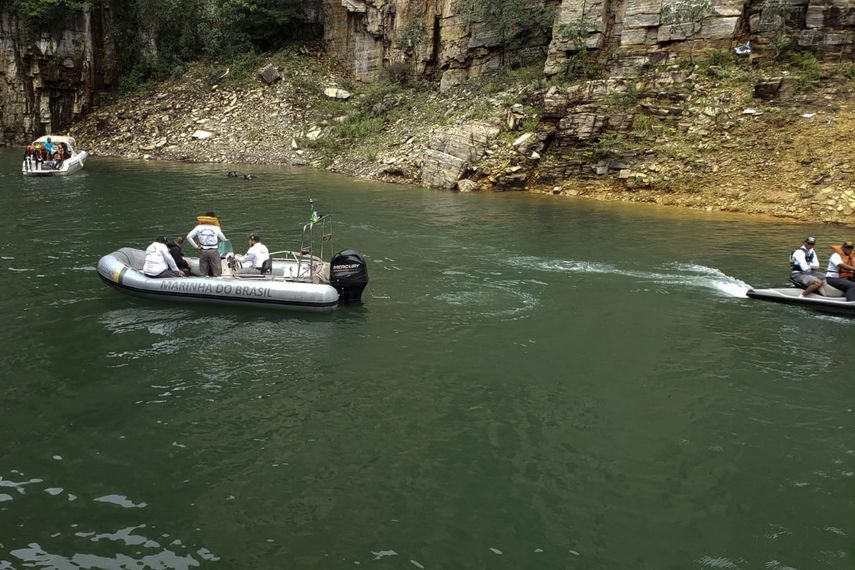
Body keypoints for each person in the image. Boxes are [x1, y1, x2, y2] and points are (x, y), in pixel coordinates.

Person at [186, 211, 228, 277]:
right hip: (213, 250)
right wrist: (226, 240)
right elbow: (223, 238)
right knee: (217, 271)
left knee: (203, 271)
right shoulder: (216, 228)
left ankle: (203, 283)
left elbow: (188, 237)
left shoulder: (198, 227)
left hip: (203, 250)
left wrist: (196, 246)